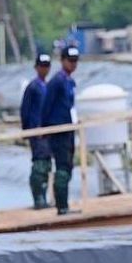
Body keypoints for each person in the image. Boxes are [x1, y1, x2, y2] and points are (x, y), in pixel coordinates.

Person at [41, 46, 80, 215]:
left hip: (68, 128)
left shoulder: (69, 82)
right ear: (62, 61)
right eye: (70, 61)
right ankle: (62, 207)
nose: (73, 64)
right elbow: (46, 106)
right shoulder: (56, 82)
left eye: (75, 61)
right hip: (59, 130)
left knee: (69, 165)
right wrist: (45, 128)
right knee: (63, 166)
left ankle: (64, 204)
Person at [20, 53, 53, 209]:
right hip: (36, 131)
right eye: (42, 66)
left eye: (47, 66)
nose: (44, 69)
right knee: (39, 164)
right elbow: (25, 110)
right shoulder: (33, 87)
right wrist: (28, 130)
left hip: (47, 132)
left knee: (46, 163)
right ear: (36, 67)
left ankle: (44, 197)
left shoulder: (47, 86)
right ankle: (38, 198)